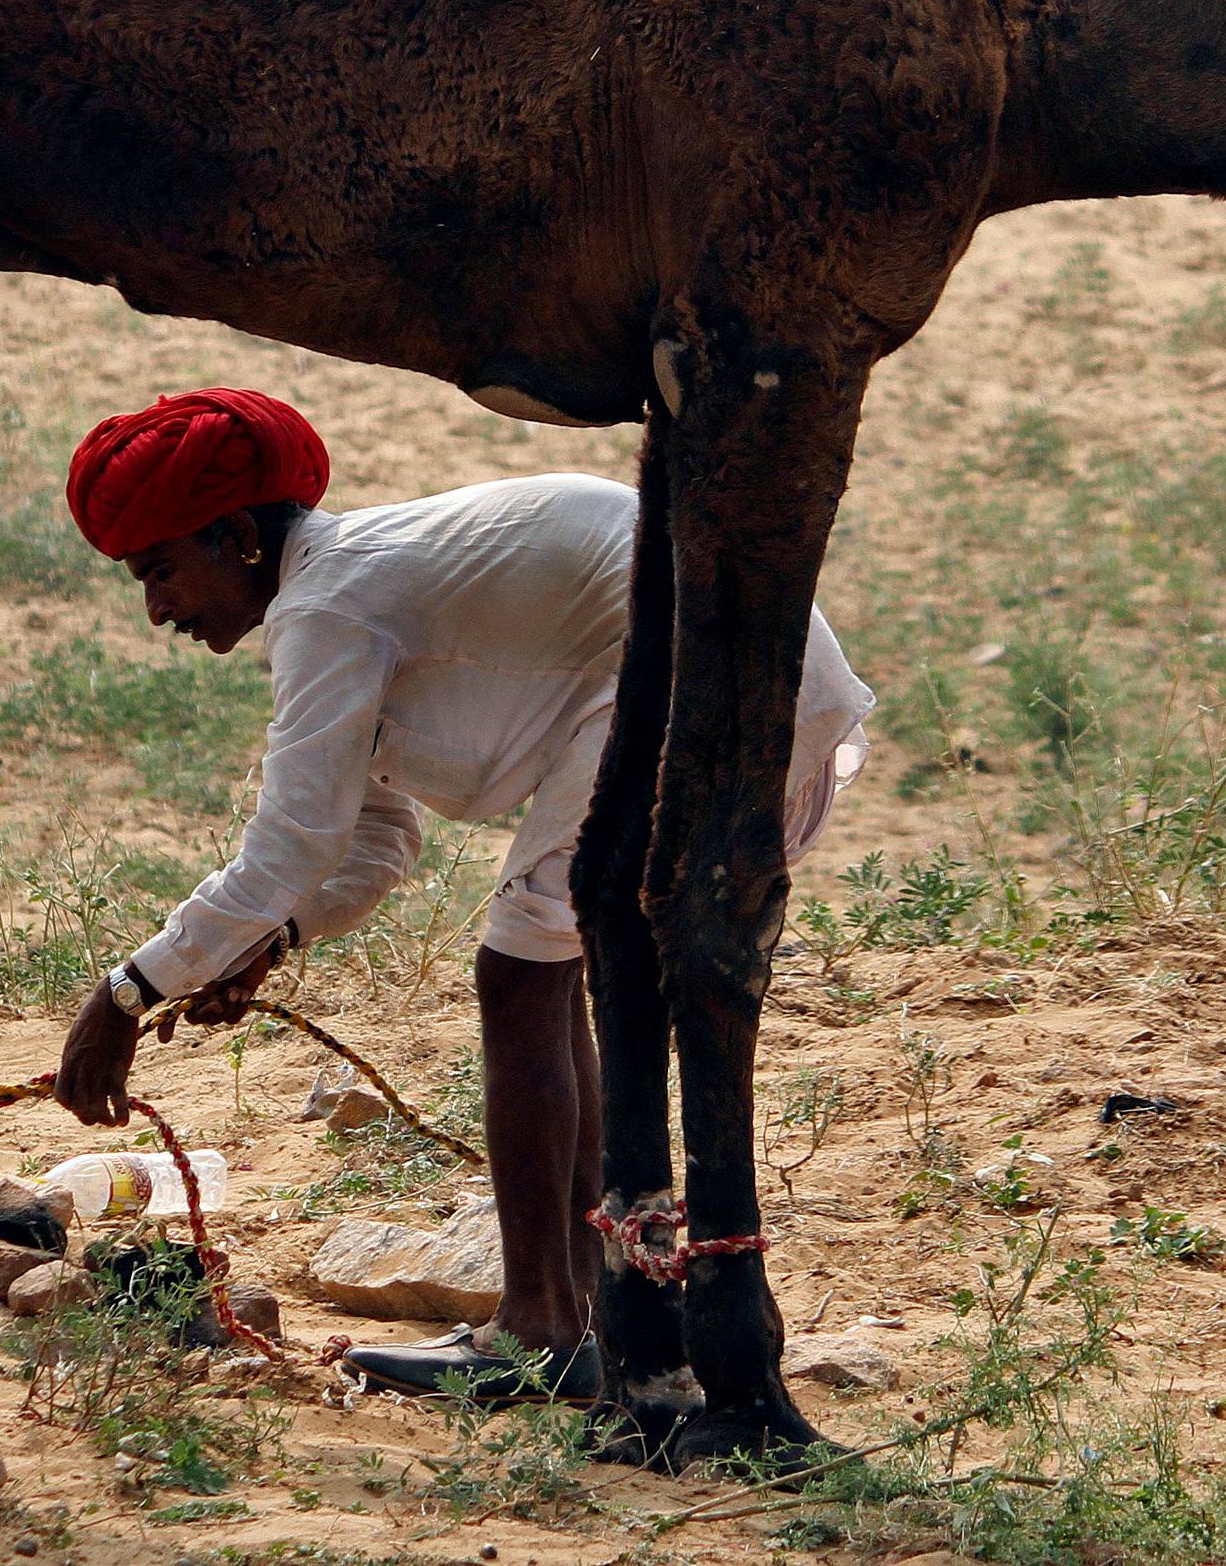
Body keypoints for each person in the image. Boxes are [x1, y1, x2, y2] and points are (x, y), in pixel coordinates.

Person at [52, 388, 871, 1404]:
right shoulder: (343, 592)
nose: (159, 609)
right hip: (713, 685)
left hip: (711, 683)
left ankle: (541, 1328)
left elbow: (289, 845)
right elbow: (373, 843)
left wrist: (127, 992)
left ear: (238, 537)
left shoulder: (330, 605)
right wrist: (272, 937)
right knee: (538, 965)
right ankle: (572, 1313)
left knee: (521, 971)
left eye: (162, 569)